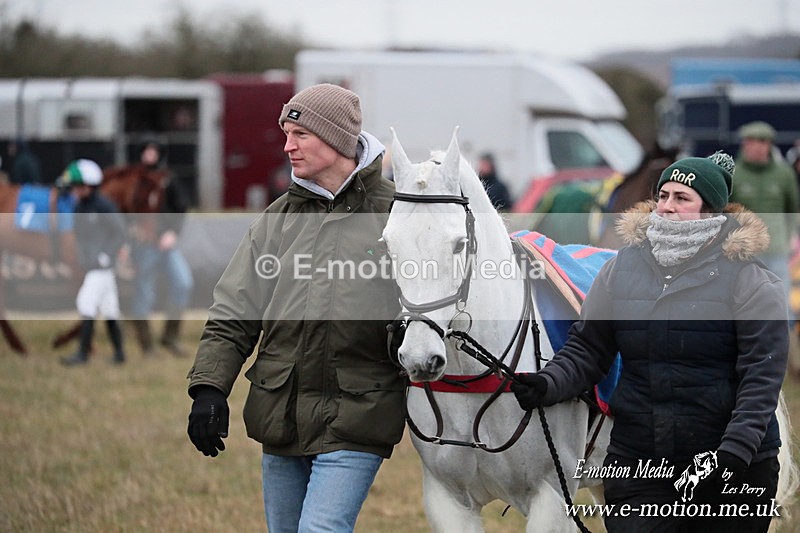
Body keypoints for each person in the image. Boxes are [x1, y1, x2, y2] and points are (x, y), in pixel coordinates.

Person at [511, 152, 788, 532]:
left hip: (731, 469)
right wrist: (546, 383)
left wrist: (734, 454)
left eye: (682, 198)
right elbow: (588, 350)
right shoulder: (620, 270)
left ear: (711, 212)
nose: (667, 207)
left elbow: (761, 378)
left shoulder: (751, 281)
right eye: (663, 196)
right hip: (641, 460)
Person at [186, 84, 405, 532]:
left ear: (338, 139)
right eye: (286, 133)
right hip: (280, 413)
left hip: (358, 413)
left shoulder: (397, 215)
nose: (288, 145)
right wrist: (209, 389)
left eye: (300, 133)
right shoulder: (278, 218)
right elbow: (234, 311)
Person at [127, 139, 194, 357]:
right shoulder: (134, 180)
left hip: (165, 243)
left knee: (183, 282)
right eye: (146, 150)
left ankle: (170, 337)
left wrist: (172, 233)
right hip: (143, 244)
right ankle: (146, 345)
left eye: (153, 151)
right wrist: (131, 233)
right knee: (144, 292)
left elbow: (181, 207)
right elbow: (124, 210)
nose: (150, 155)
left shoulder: (168, 180)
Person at [58, 159, 127, 366]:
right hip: (92, 265)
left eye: (78, 186)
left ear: (89, 185)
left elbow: (120, 232)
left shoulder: (104, 206)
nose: (75, 191)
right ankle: (119, 354)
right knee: (110, 309)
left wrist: (106, 253)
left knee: (86, 302)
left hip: (101, 266)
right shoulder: (80, 206)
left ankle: (82, 354)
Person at [729, 121, 799, 311]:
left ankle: (784, 338)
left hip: (776, 249)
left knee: (780, 301)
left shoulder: (784, 174)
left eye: (763, 141)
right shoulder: (734, 175)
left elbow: (793, 209)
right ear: (744, 144)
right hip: (746, 251)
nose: (757, 147)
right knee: (746, 302)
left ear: (769, 145)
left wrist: (788, 238)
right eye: (751, 141)